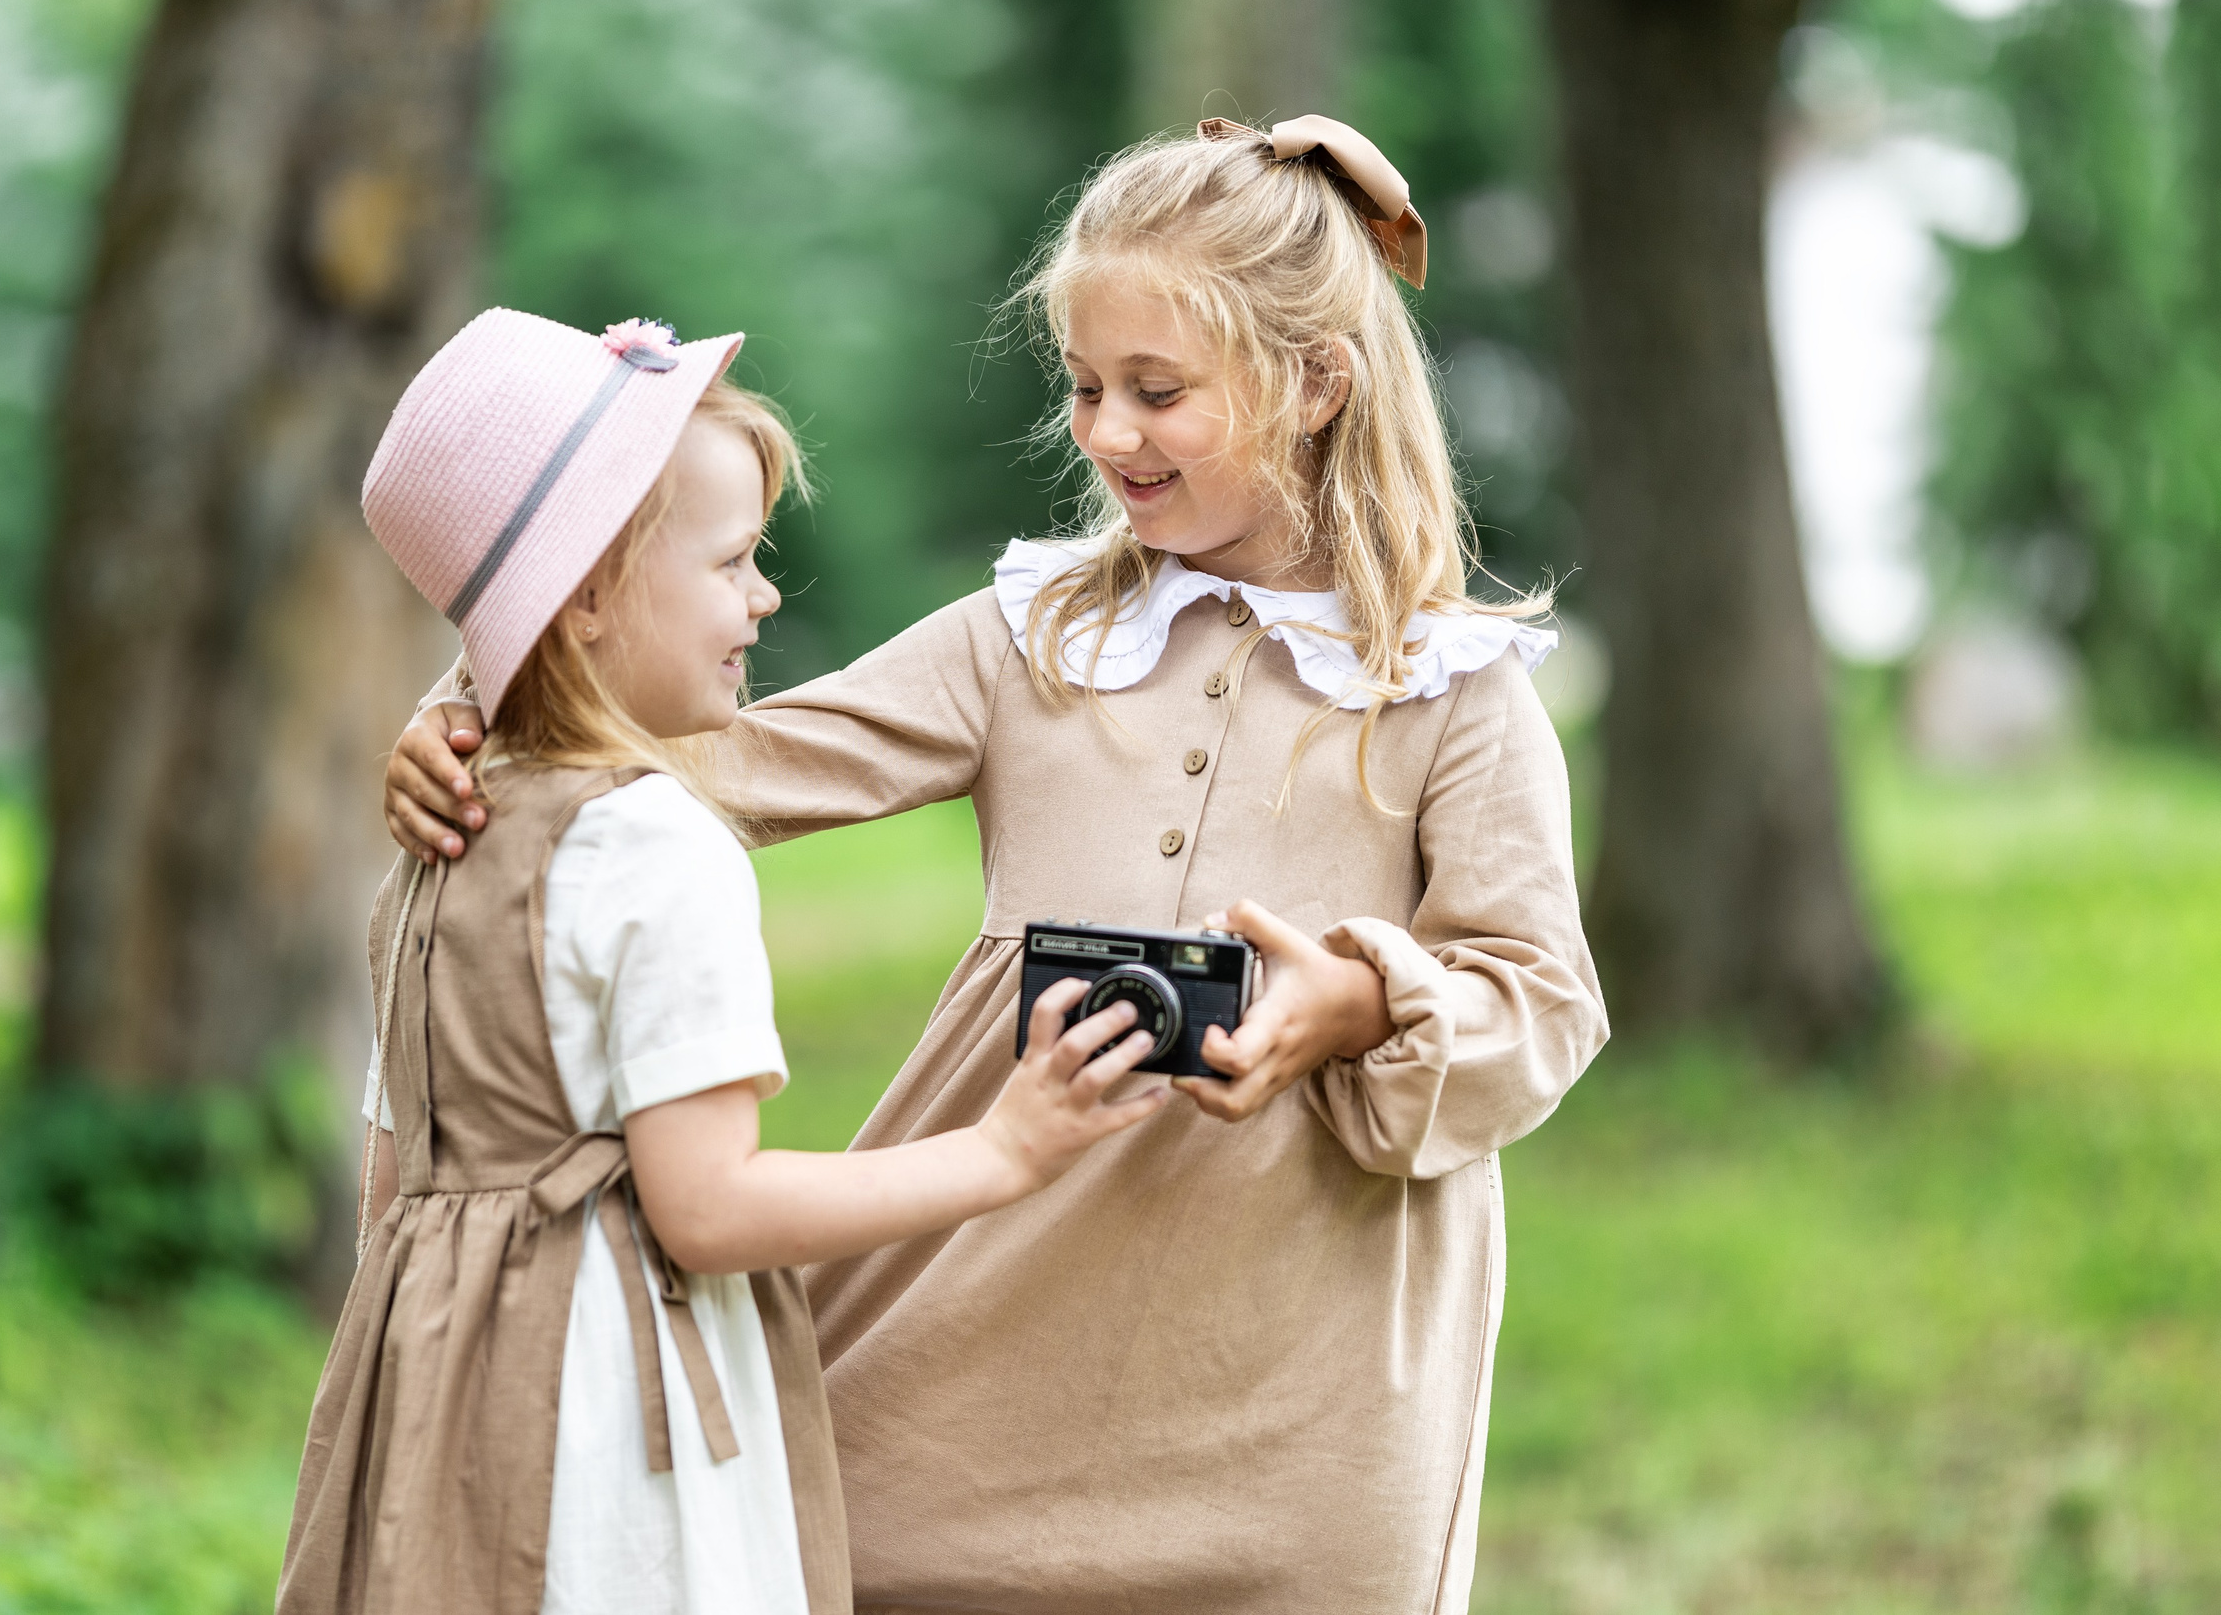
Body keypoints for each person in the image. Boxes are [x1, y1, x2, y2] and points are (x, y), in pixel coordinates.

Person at [382, 118, 1611, 1614]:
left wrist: (1354, 1004)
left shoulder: (1451, 690)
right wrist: (481, 720)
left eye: (1158, 390)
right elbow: (713, 760)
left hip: (1304, 1404)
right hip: (966, 1376)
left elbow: (1541, 1002)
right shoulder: (1037, 635)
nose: (1106, 431)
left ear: (1315, 384)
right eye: (1086, 387)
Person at [278, 310, 1168, 1615]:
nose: (763, 596)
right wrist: (1004, 1151)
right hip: (608, 1422)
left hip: (434, 1394)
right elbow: (707, 1207)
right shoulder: (657, 843)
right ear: (589, 596)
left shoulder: (437, 847)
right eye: (734, 560)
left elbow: (390, 1182)